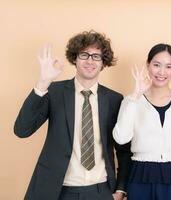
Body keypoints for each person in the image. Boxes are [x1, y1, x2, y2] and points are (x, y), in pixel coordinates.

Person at [14, 30, 131, 200]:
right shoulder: (54, 92)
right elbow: (22, 130)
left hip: (101, 191)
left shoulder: (114, 99)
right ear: (74, 58)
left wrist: (120, 190)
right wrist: (42, 83)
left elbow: (123, 151)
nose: (90, 60)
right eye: (84, 54)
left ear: (103, 62)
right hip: (59, 191)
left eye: (96, 56)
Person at [112, 43, 171, 200]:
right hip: (140, 174)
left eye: (168, 66)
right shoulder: (131, 100)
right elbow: (121, 138)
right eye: (156, 65)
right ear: (148, 65)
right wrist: (135, 96)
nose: (161, 72)